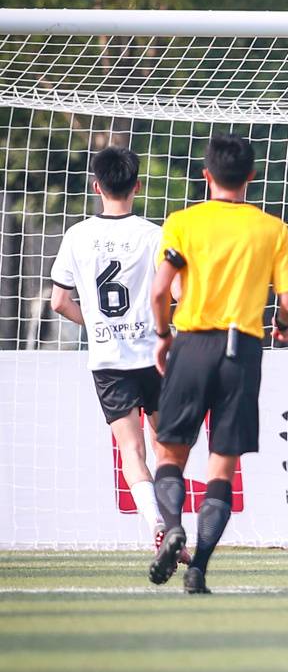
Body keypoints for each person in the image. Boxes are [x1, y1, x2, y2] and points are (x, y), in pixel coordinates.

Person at [148, 133, 288, 593]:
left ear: (206, 175)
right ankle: (198, 567)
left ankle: (173, 526)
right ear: (250, 177)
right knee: (222, 464)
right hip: (242, 350)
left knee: (171, 452)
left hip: (193, 342)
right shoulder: (271, 229)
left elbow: (159, 291)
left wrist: (163, 335)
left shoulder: (183, 223)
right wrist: (282, 325)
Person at [49, 146, 189, 562]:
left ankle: (155, 525)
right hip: (154, 356)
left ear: (97, 186)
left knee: (132, 450)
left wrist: (96, 326)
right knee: (167, 449)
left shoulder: (77, 235)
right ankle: (174, 525)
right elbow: (177, 293)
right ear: (137, 186)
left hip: (109, 361)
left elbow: (59, 301)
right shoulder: (154, 234)